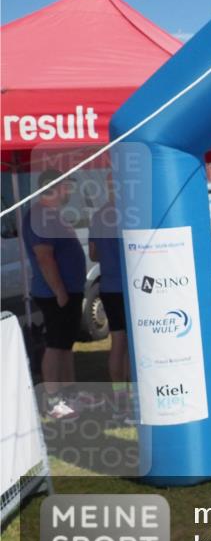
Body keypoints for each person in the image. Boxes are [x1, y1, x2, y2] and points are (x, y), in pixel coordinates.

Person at [22, 170, 88, 419]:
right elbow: (44, 258)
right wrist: (60, 291)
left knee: (65, 345)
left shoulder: (51, 215)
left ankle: (70, 395)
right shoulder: (40, 216)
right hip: (55, 294)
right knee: (55, 345)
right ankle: (53, 401)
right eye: (67, 185)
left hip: (68, 291)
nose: (69, 191)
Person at [88, 178, 132, 421]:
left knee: (118, 343)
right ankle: (134, 403)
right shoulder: (131, 212)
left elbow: (93, 254)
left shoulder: (98, 215)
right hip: (132, 289)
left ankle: (120, 404)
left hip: (109, 286)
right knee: (135, 347)